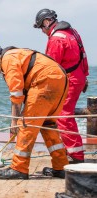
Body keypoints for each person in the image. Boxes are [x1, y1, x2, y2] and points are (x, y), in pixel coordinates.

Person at [0, 40, 69, 179]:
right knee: (48, 125)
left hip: (44, 81)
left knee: (26, 126)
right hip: (60, 79)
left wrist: (14, 122)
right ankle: (61, 166)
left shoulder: (8, 59)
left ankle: (19, 168)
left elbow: (17, 94)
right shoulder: (15, 55)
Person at [33, 9, 89, 164]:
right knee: (64, 114)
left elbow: (51, 67)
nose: (42, 31)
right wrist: (85, 76)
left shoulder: (56, 39)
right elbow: (83, 54)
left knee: (63, 115)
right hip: (78, 77)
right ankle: (68, 149)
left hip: (69, 80)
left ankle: (76, 155)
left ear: (46, 22)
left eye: (41, 28)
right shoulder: (72, 31)